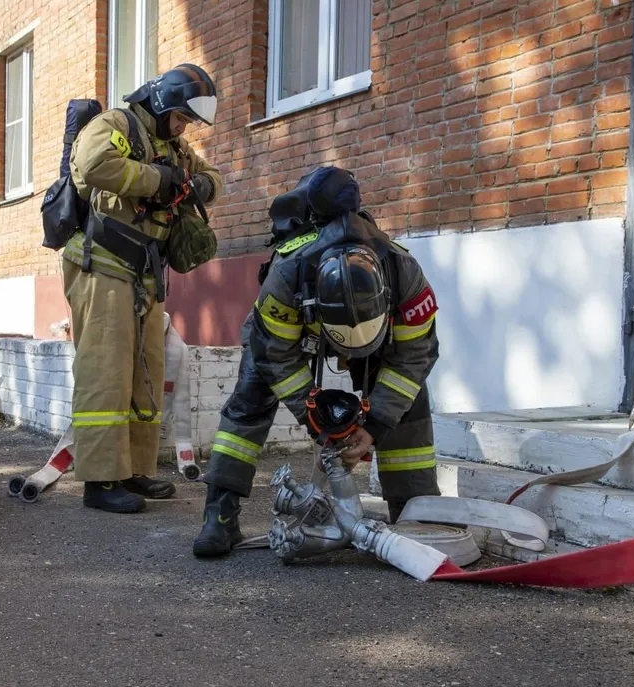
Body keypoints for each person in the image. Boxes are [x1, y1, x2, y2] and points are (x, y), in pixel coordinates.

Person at [192, 166, 441, 557]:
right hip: (294, 335)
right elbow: (274, 354)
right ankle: (219, 516)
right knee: (250, 397)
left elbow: (415, 357)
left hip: (381, 342)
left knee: (409, 403)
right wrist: (317, 421)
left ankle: (417, 514)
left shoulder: (405, 273)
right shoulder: (287, 275)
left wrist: (373, 426)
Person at [62, 63, 223, 513]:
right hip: (104, 264)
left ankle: (132, 472)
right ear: (163, 103)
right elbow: (94, 164)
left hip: (145, 274)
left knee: (145, 374)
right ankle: (99, 481)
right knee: (105, 373)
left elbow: (214, 181)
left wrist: (195, 184)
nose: (184, 127)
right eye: (182, 117)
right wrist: (159, 180)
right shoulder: (116, 125)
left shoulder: (172, 146)